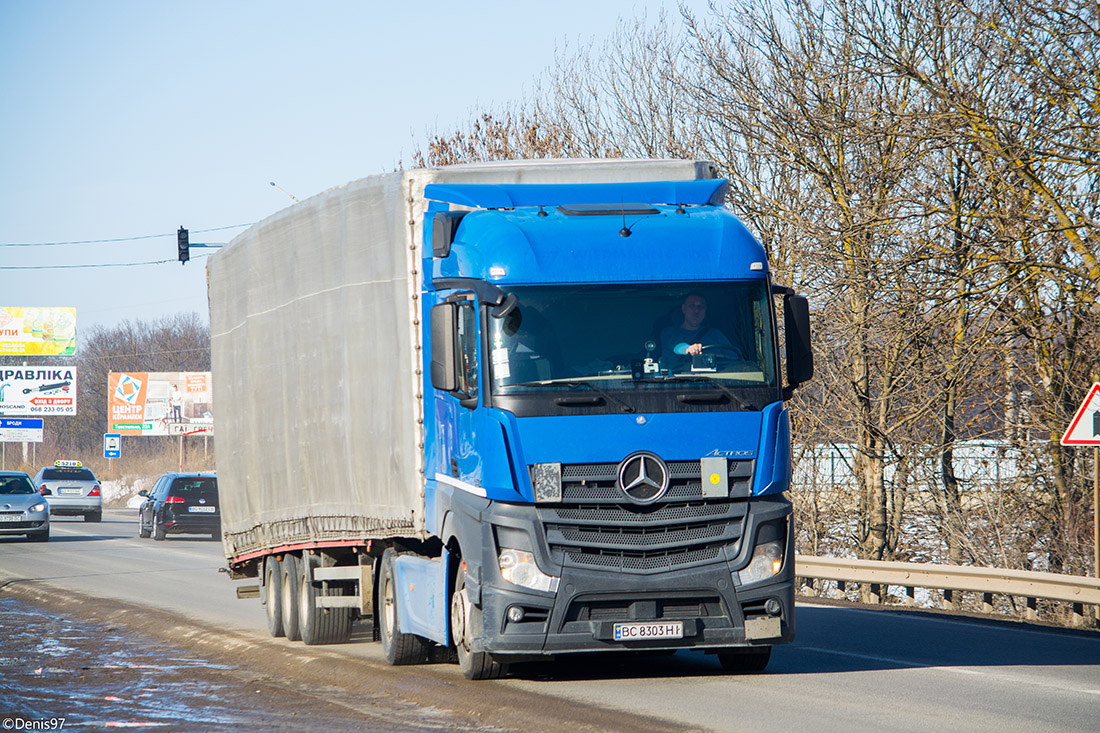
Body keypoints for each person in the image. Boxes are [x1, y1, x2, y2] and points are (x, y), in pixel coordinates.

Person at [659, 292, 737, 368]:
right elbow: (677, 346)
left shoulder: (716, 334)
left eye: (701, 307)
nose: (696, 311)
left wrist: (713, 357)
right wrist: (689, 349)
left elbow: (735, 358)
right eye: (692, 306)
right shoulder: (669, 332)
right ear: (684, 309)